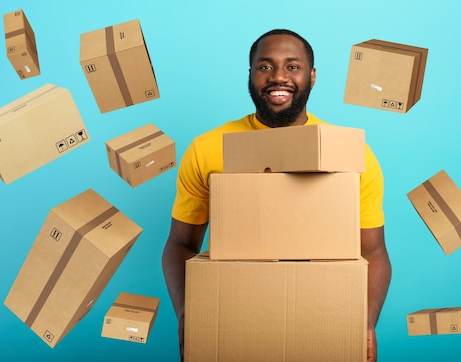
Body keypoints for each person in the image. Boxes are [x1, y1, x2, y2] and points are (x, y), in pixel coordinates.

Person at [162, 28, 391, 361]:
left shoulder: (350, 154)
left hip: (322, 317)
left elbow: (373, 250)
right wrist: (188, 312)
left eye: (292, 66)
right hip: (232, 318)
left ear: (312, 76)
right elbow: (180, 243)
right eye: (265, 66)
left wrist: (364, 322)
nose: (278, 77)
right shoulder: (207, 148)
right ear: (251, 74)